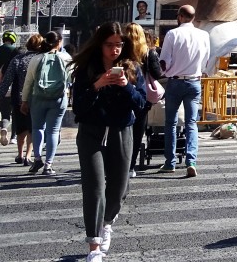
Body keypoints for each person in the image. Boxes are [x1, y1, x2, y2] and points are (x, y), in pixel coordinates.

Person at [71, 22, 146, 262]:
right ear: (100, 44)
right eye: (109, 45)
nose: (114, 50)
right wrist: (97, 85)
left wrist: (126, 86)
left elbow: (141, 104)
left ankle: (107, 222)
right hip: (91, 132)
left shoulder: (132, 68)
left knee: (119, 188)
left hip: (121, 131)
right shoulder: (86, 68)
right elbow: (78, 108)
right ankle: (94, 245)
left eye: (118, 45)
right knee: (94, 187)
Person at [157, 5, 210, 176]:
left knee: (171, 124)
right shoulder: (204, 35)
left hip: (175, 82)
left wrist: (167, 72)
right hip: (194, 82)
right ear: (193, 18)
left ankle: (169, 162)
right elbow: (206, 60)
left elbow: (164, 60)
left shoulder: (173, 34)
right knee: (191, 123)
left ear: (180, 17)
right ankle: (191, 161)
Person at [21, 30, 72, 174]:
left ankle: (37, 159)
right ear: (59, 42)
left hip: (38, 97)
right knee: (53, 131)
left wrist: (24, 100)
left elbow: (28, 82)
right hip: (59, 98)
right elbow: (71, 79)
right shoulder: (65, 57)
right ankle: (48, 165)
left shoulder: (36, 59)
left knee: (37, 128)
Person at [124, 23, 163, 176]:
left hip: (123, 93)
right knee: (138, 131)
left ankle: (119, 162)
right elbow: (157, 73)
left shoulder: (122, 52)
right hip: (143, 95)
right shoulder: (148, 53)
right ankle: (130, 166)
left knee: (121, 129)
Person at [0, 33, 41, 164]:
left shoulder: (18, 59)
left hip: (18, 98)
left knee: (21, 127)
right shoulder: (42, 59)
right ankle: (29, 155)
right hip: (37, 99)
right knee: (31, 128)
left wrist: (0, 94)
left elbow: (7, 80)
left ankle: (20, 154)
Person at [0, 30, 19, 147]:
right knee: (16, 112)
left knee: (5, 112)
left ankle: (4, 127)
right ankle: (14, 137)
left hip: (1, 86)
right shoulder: (16, 51)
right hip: (14, 86)